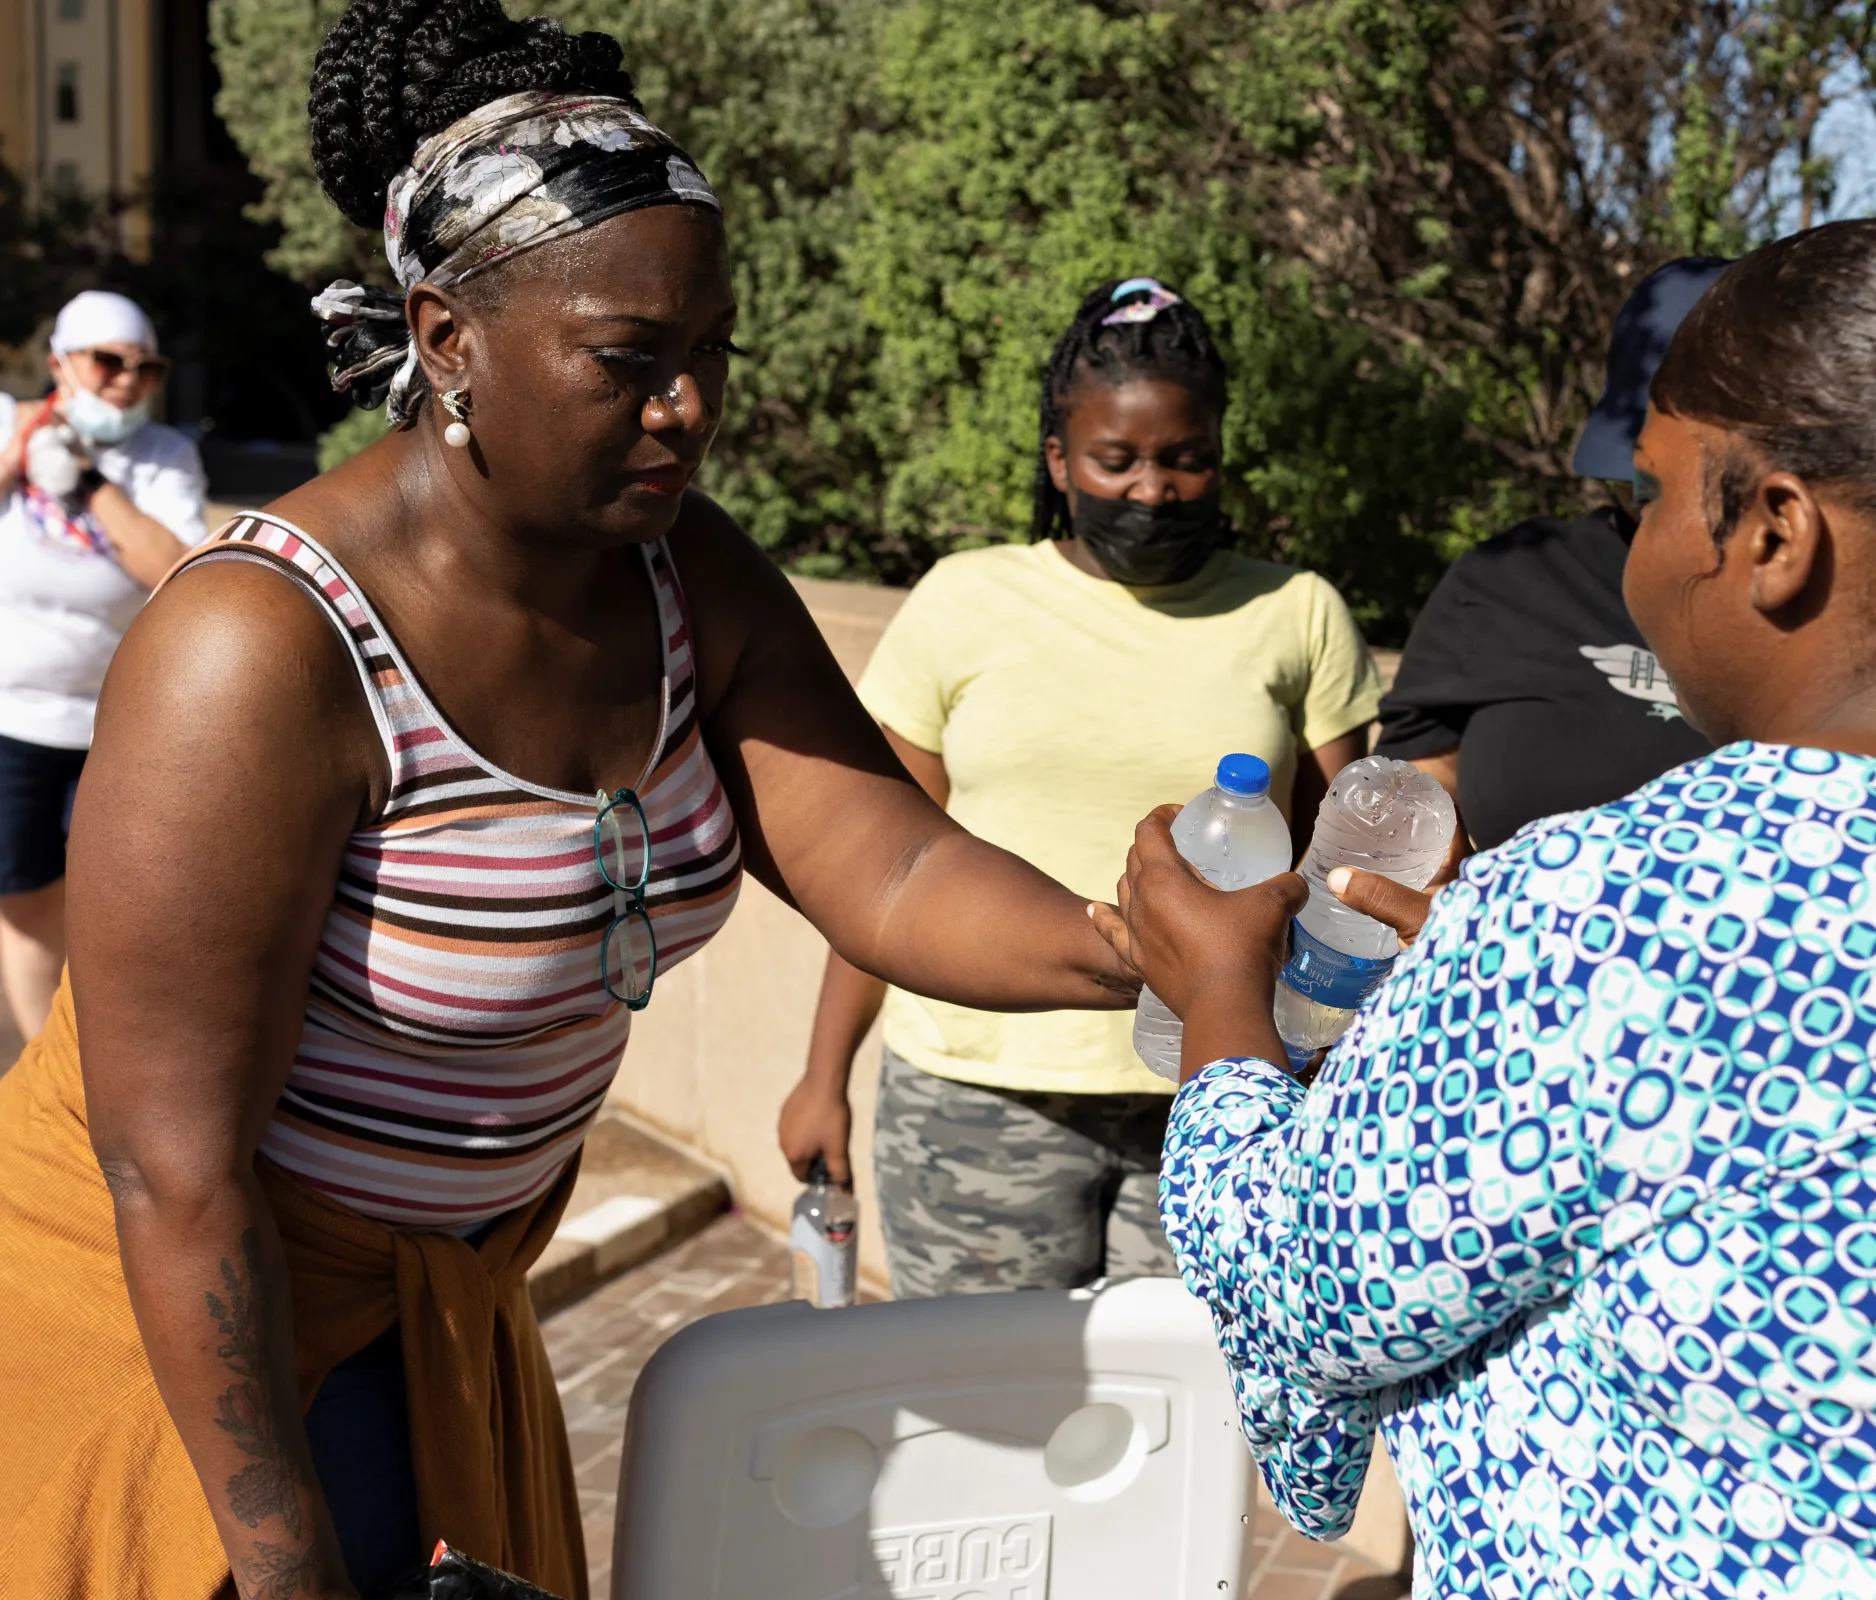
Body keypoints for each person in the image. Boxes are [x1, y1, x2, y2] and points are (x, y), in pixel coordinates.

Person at [1096, 156, 1876, 1596]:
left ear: (1771, 533)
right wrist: (1495, 997)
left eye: (1648, 498)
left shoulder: (1611, 905)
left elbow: (1306, 1299)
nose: (1628, 556)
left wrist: (1214, 996)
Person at [0, 6, 1139, 1597]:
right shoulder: (259, 649)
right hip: (186, 1331)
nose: (687, 409)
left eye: (711, 356)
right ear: (446, 338)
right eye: (629, 361)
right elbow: (170, 1175)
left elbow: (880, 861)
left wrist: (1129, 943)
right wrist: (285, 1570)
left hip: (441, 1307)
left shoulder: (688, 577)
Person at [777, 277, 1383, 1297]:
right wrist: (821, 1074)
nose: (1153, 488)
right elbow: (883, 862)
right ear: (1061, 459)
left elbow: (1337, 881)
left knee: (1184, 1425)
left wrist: (1326, 1078)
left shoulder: (1298, 612)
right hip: (974, 1101)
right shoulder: (963, 600)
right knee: (982, 1416)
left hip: (1207, 1088)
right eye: (1119, 460)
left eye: (1185, 461)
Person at [1374, 260, 1721, 853]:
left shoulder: (1834, 618)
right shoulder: (1511, 580)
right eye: (1639, 482)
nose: (1653, 507)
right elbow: (1414, 789)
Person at [0, 290, 207, 1043]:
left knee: (116, 907)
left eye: (146, 367)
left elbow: (176, 570)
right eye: (108, 362)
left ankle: (99, 1057)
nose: (128, 381)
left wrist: (89, 484)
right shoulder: (7, 422)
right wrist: (18, 452)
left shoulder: (162, 456)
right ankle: (37, 1065)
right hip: (14, 721)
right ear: (60, 362)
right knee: (24, 903)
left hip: (118, 727)